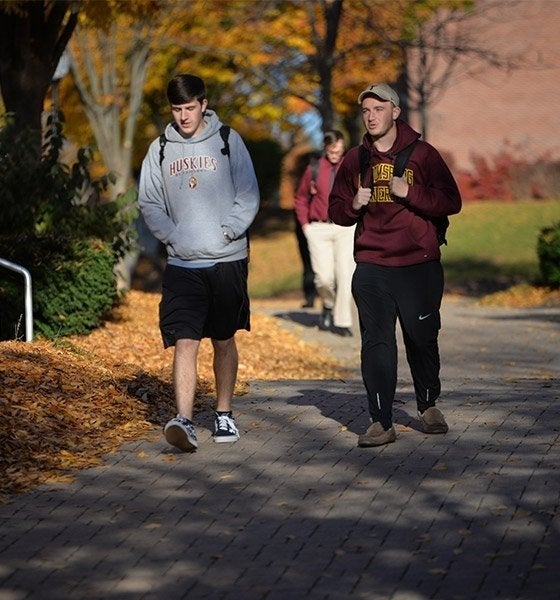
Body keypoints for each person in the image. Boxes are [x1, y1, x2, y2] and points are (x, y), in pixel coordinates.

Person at [329, 83, 462, 447]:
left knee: (421, 338)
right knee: (377, 343)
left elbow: (452, 201)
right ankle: (380, 421)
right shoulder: (355, 161)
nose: (372, 116)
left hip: (418, 263)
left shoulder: (424, 155)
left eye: (379, 109)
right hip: (372, 263)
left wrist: (410, 192)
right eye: (366, 111)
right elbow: (335, 211)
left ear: (395, 112)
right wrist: (354, 203)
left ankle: (428, 403)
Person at [138, 74, 260, 452]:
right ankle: (185, 419)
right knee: (185, 341)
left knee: (223, 340)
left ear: (204, 104)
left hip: (226, 260)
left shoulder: (228, 141)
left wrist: (228, 232)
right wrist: (174, 236)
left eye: (190, 108)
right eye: (177, 109)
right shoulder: (160, 148)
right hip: (182, 264)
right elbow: (149, 201)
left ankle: (224, 413)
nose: (184, 116)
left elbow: (248, 193)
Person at [294, 130, 356, 337]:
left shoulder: (352, 167)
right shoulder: (314, 168)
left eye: (338, 150)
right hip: (318, 229)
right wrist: (305, 226)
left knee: (345, 275)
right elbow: (300, 198)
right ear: (325, 149)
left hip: (344, 228)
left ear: (342, 146)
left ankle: (343, 321)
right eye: (331, 151)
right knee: (323, 278)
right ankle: (328, 305)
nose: (335, 155)